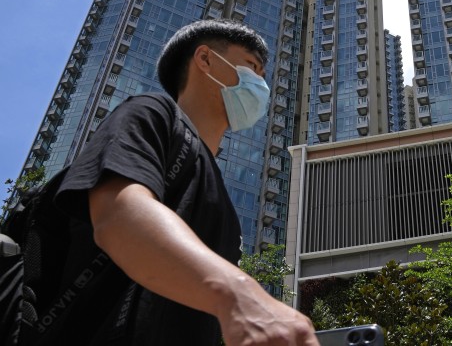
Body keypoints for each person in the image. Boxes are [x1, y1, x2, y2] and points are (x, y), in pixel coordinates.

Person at [46, 19, 318, 345]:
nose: (261, 83)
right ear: (205, 60)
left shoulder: (220, 197)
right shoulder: (151, 113)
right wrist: (240, 295)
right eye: (252, 66)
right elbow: (118, 215)